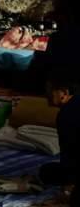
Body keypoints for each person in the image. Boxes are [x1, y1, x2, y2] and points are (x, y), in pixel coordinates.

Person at [39, 67, 80, 207]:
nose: (47, 95)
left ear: (63, 93)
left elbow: (70, 152)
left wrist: (69, 185)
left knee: (47, 172)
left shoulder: (68, 114)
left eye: (50, 90)